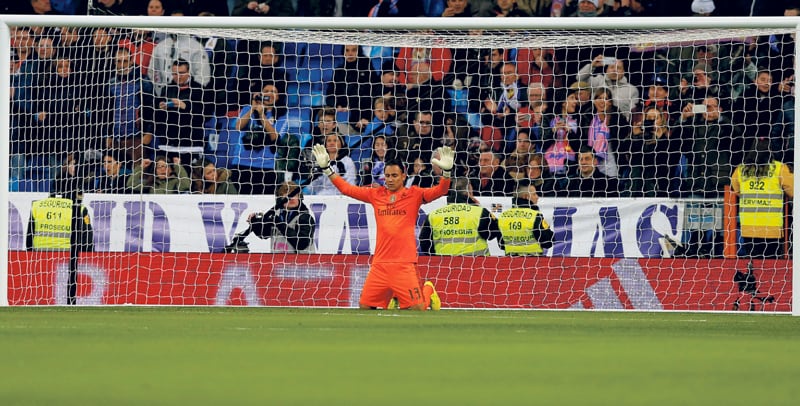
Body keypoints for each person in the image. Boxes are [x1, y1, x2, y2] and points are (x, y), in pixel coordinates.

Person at [310, 143, 455, 310]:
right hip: (380, 264)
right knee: (365, 307)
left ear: (403, 176)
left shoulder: (414, 194)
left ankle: (428, 290)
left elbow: (441, 190)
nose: (390, 179)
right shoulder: (376, 194)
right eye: (387, 176)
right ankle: (394, 297)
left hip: (404, 264)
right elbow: (347, 189)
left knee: (417, 308)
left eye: (394, 175)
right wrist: (327, 169)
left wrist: (446, 173)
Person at [730, 140, 794, 259]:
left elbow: (736, 190)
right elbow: (792, 191)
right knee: (770, 263)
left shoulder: (741, 169)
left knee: (752, 261)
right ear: (770, 152)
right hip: (771, 226)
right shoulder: (779, 168)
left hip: (749, 226)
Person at [226, 181, 316, 254]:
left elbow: (301, 244)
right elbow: (263, 234)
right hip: (279, 264)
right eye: (287, 195)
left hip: (301, 265)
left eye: (295, 195)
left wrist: (279, 223)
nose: (292, 199)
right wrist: (255, 223)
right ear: (280, 199)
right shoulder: (278, 216)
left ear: (300, 197)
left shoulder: (305, 218)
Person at [419, 176, 502, 256]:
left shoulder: (433, 216)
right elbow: (495, 233)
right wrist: (476, 206)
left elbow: (424, 244)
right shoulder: (479, 212)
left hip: (444, 263)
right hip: (477, 263)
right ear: (469, 190)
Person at [498, 182, 554, 256]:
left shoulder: (503, 216)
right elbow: (548, 242)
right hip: (533, 260)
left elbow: (501, 244)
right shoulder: (535, 216)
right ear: (526, 197)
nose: (537, 197)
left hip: (510, 260)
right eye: (534, 194)